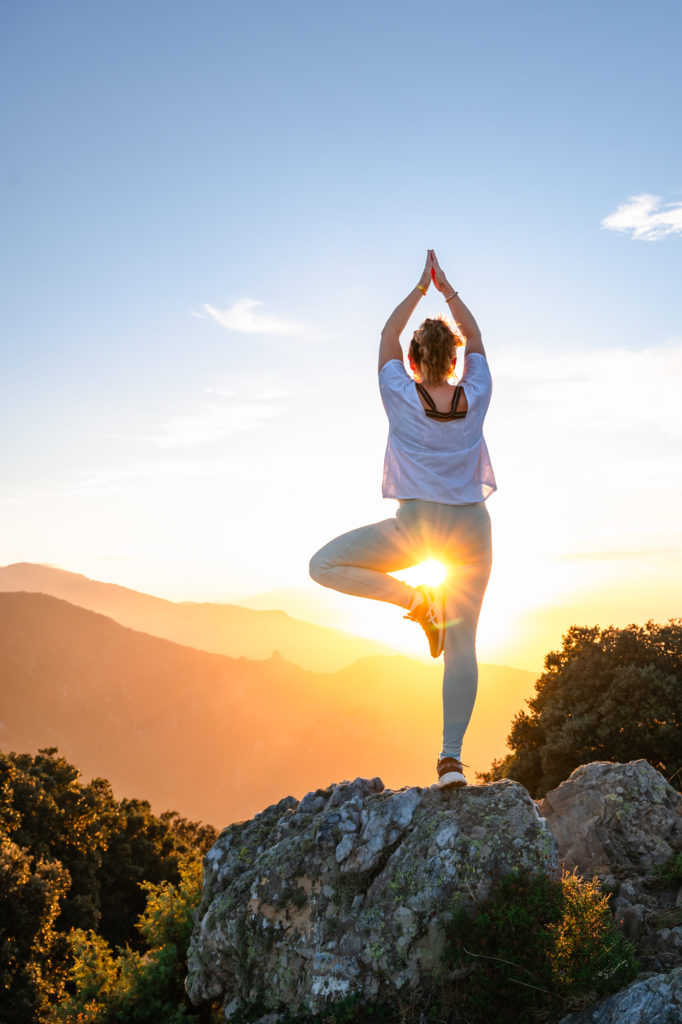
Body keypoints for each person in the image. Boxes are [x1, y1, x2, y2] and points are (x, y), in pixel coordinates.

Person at [309, 250, 496, 788]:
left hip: (416, 530)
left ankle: (416, 601)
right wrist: (448, 291)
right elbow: (477, 338)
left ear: (414, 362)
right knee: (464, 647)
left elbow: (387, 336)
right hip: (473, 532)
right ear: (455, 360)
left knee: (323, 566)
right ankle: (451, 761)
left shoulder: (400, 395)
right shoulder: (476, 393)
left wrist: (420, 288)